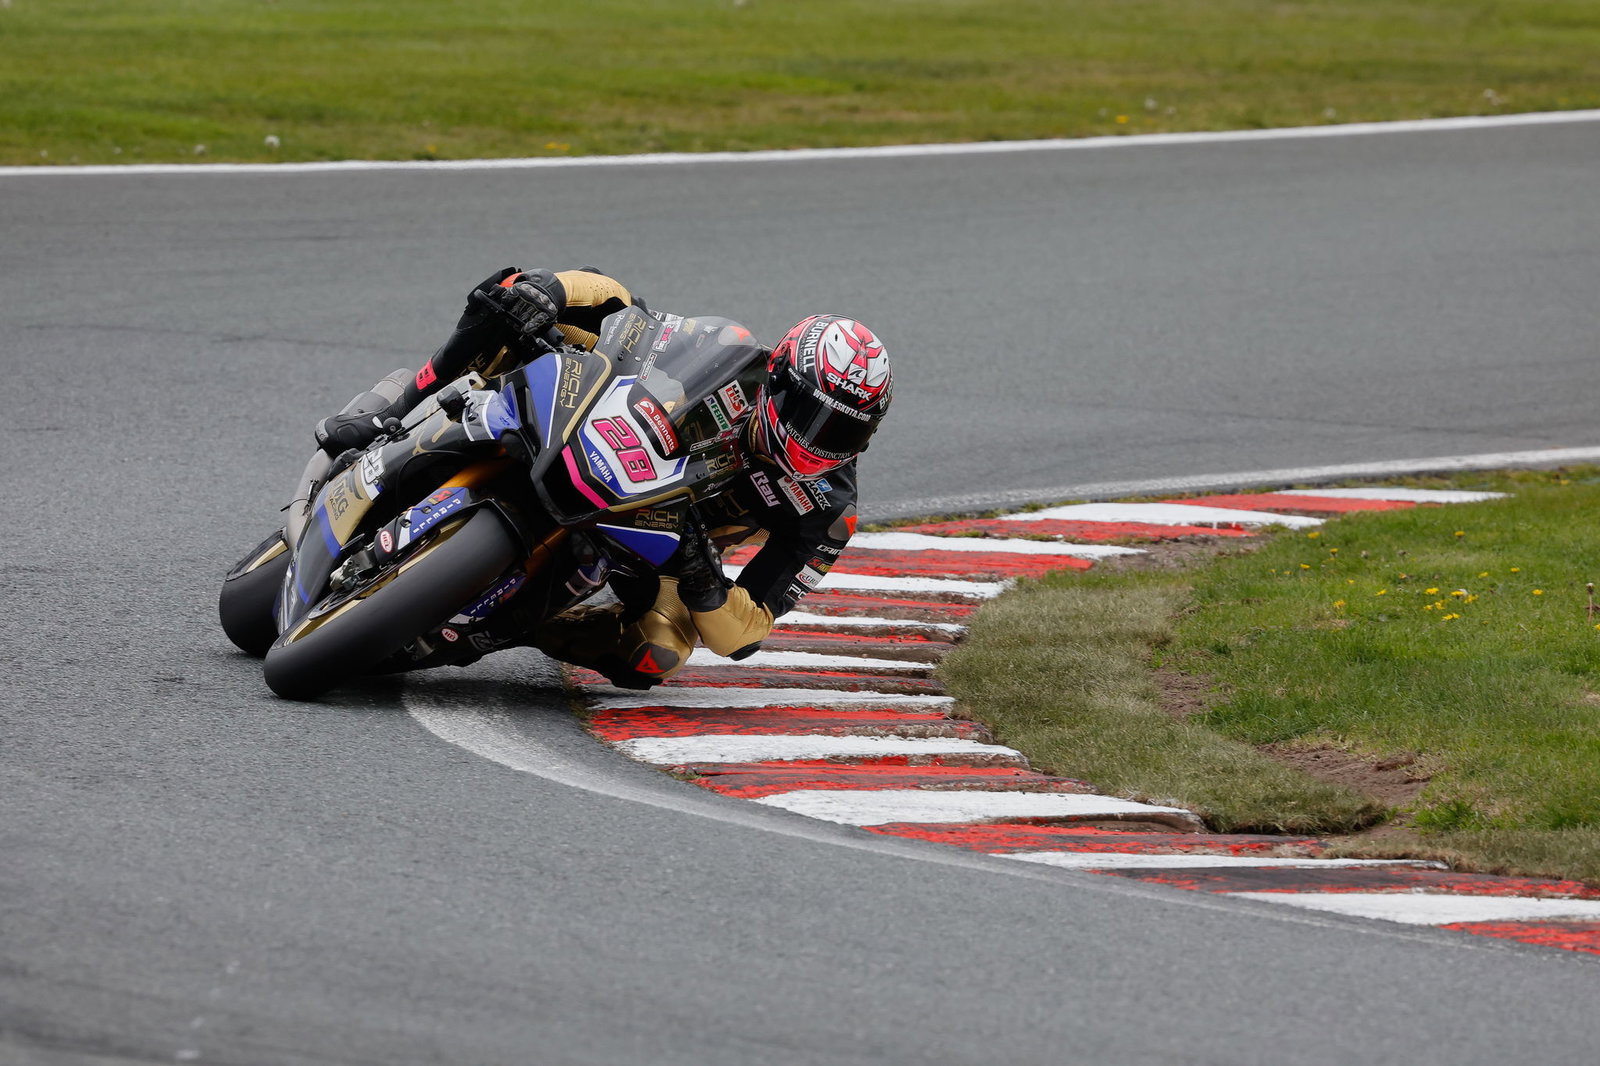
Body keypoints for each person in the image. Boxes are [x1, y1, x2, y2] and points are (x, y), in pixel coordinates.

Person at [315, 267, 894, 689]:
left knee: (657, 652)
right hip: (597, 442)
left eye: (844, 433)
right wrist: (553, 294)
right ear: (780, 382)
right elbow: (628, 315)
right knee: (514, 294)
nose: (820, 442)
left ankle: (521, 627)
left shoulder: (827, 509)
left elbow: (743, 635)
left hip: (663, 546)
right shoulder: (730, 351)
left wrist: (701, 577)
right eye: (814, 418)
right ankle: (387, 418)